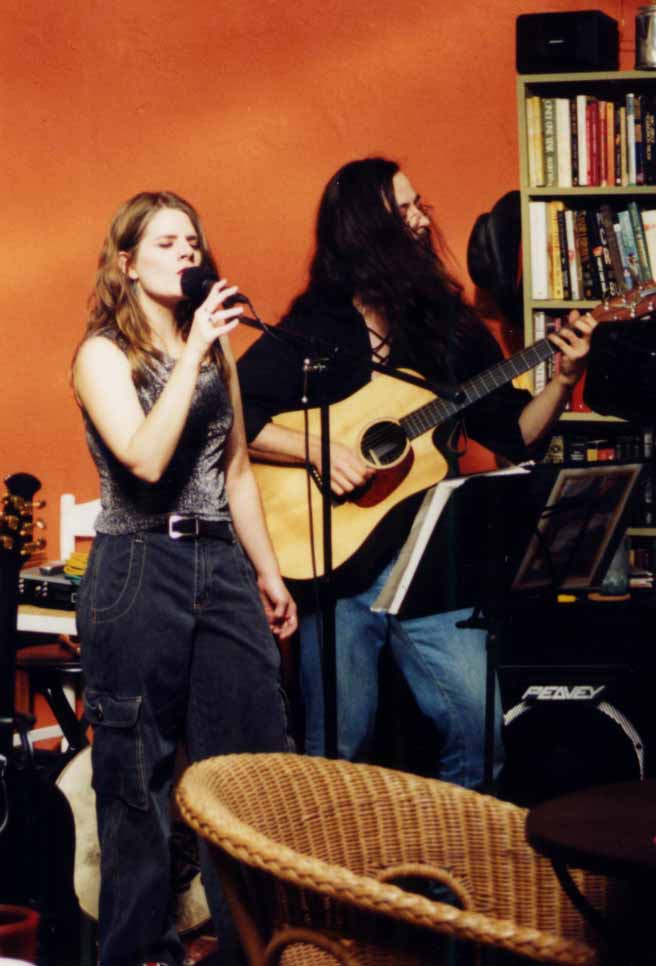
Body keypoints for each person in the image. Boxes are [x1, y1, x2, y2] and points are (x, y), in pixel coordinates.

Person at [237, 156, 596, 789]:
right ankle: (329, 859)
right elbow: (233, 416)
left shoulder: (447, 329)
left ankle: (443, 852)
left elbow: (516, 436)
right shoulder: (314, 331)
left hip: (430, 567)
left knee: (480, 735)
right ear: (362, 229)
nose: (420, 220)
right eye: (401, 209)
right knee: (340, 751)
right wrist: (317, 450)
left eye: (417, 204)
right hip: (336, 572)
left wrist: (563, 381)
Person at [72, 190, 297, 966]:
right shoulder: (102, 355)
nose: (186, 254)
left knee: (249, 772)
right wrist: (194, 350)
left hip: (221, 565)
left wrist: (268, 574)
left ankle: (256, 953)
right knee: (137, 782)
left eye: (193, 243)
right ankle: (141, 955)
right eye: (166, 243)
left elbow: (235, 472)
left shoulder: (217, 348)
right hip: (138, 566)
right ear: (127, 264)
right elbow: (144, 458)